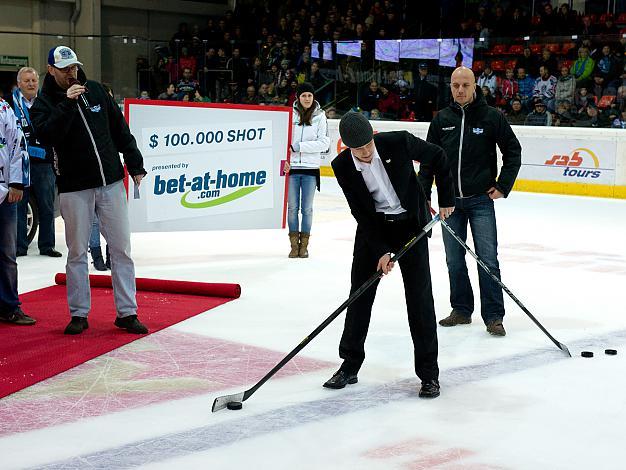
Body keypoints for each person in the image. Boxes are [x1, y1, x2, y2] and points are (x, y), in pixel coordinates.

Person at [325, 112, 455, 399]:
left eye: (368, 145)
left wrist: (446, 199)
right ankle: (350, 364)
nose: (366, 153)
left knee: (420, 300)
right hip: (375, 229)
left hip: (411, 226)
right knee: (359, 294)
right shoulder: (343, 166)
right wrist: (382, 250)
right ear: (347, 147)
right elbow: (361, 213)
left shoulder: (398, 142)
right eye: (359, 150)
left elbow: (438, 156)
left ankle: (429, 374)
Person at [30, 46, 148, 335]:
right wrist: (67, 104)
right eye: (64, 69)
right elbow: (46, 135)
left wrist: (134, 162)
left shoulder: (95, 90)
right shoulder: (45, 102)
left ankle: (127, 312)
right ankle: (79, 314)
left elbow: (119, 129)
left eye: (73, 67)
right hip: (74, 186)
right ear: (51, 70)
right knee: (77, 251)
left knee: (121, 248)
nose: (71, 73)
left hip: (110, 181)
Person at [419, 66, 521, 337]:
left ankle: (494, 316)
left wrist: (503, 185)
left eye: (465, 85)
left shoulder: (491, 117)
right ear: (450, 87)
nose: (460, 90)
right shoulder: (441, 120)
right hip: (449, 204)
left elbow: (513, 151)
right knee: (454, 260)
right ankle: (462, 310)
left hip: (480, 202)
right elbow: (429, 161)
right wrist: (423, 194)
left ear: (475, 86)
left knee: (488, 259)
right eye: (455, 85)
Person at [10, 67, 62, 258]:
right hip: (18, 161)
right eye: (27, 81)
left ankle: (47, 246)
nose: (31, 84)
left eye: (33, 80)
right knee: (20, 204)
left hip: (43, 160)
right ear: (19, 84)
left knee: (46, 204)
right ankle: (20, 246)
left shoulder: (47, 102)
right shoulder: (10, 103)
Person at [0, 99, 37, 325]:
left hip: (4, 192)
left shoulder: (4, 108)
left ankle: (9, 306)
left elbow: (18, 144)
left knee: (6, 254)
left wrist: (17, 183)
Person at [283, 83, 329, 258]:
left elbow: (324, 143)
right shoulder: (290, 115)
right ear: (298, 97)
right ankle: (294, 245)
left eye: (310, 95)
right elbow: (283, 139)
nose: (307, 99)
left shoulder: (320, 116)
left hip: (310, 169)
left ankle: (305, 246)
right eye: (304, 96)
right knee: (292, 208)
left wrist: (299, 147)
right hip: (292, 168)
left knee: (307, 209)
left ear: (313, 97)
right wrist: (285, 160)